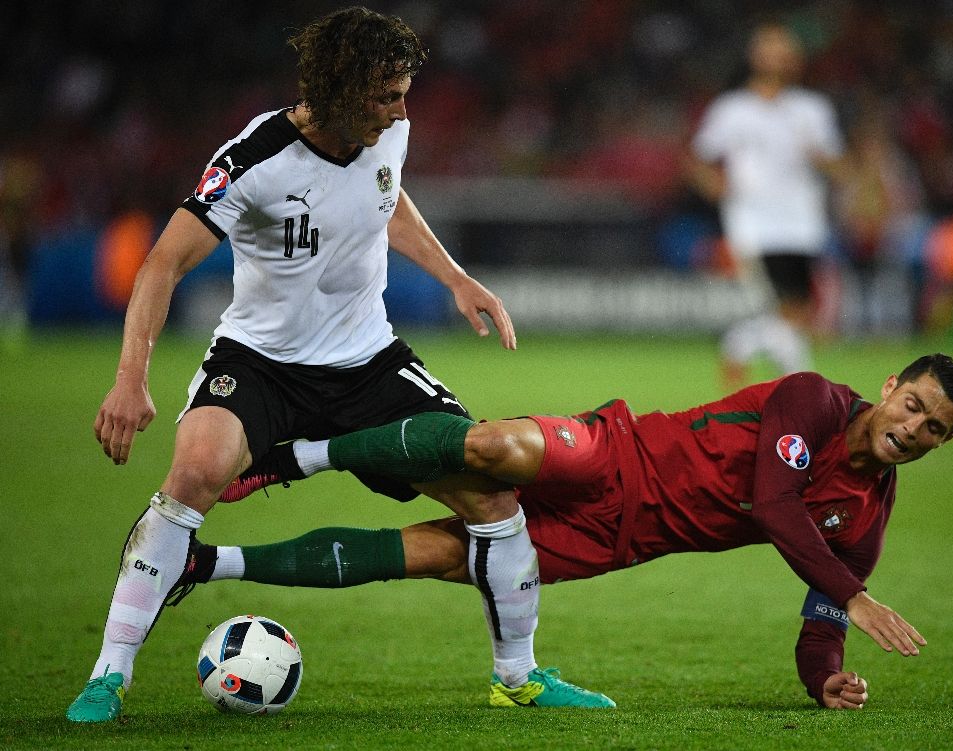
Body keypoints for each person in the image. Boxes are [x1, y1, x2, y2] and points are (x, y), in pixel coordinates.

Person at [67, 7, 611, 723]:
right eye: (386, 95)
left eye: (403, 93)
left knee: (494, 499)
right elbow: (162, 262)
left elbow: (385, 199)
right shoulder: (255, 159)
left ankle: (520, 674)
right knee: (195, 470)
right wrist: (130, 379)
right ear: (342, 88)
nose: (401, 109)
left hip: (369, 363)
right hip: (261, 362)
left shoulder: (388, 133)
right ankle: (110, 671)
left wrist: (455, 277)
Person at [177, 353, 953, 709]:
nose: (913, 427)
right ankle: (298, 455)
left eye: (933, 428)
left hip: (616, 541)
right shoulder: (813, 401)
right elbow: (774, 502)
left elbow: (819, 628)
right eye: (913, 404)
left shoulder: (866, 520)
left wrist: (824, 675)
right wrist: (857, 593)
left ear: (942, 444)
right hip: (616, 452)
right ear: (891, 386)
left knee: (437, 557)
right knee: (492, 443)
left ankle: (208, 562)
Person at [688, 22, 846, 391]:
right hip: (754, 222)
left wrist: (823, 159)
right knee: (788, 306)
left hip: (803, 222)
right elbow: (698, 159)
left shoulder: (812, 109)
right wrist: (714, 185)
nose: (777, 55)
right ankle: (800, 387)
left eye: (784, 49)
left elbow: (838, 164)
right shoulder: (732, 109)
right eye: (769, 47)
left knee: (797, 310)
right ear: (754, 56)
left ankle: (744, 346)